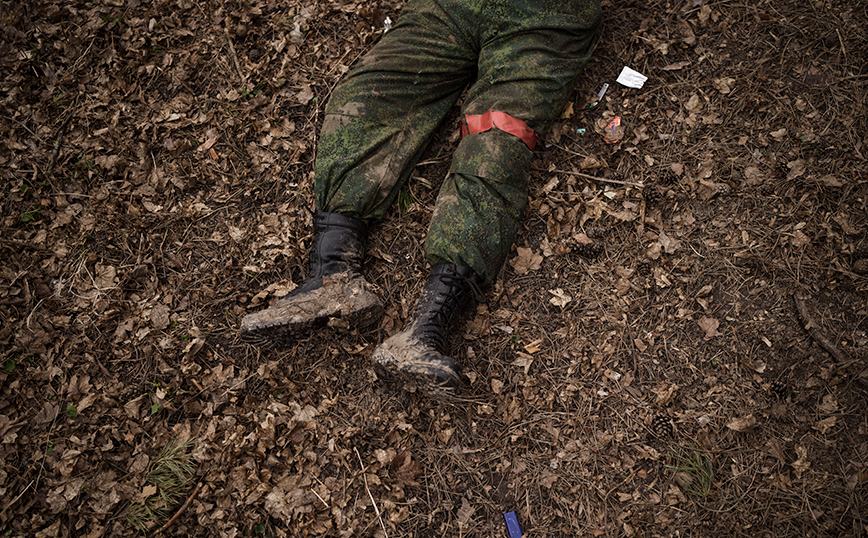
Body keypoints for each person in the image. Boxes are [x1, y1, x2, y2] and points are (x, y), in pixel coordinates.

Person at [240, 0, 602, 395]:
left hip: (543, 18)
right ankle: (332, 275)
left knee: (496, 141)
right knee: (364, 96)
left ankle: (426, 331)